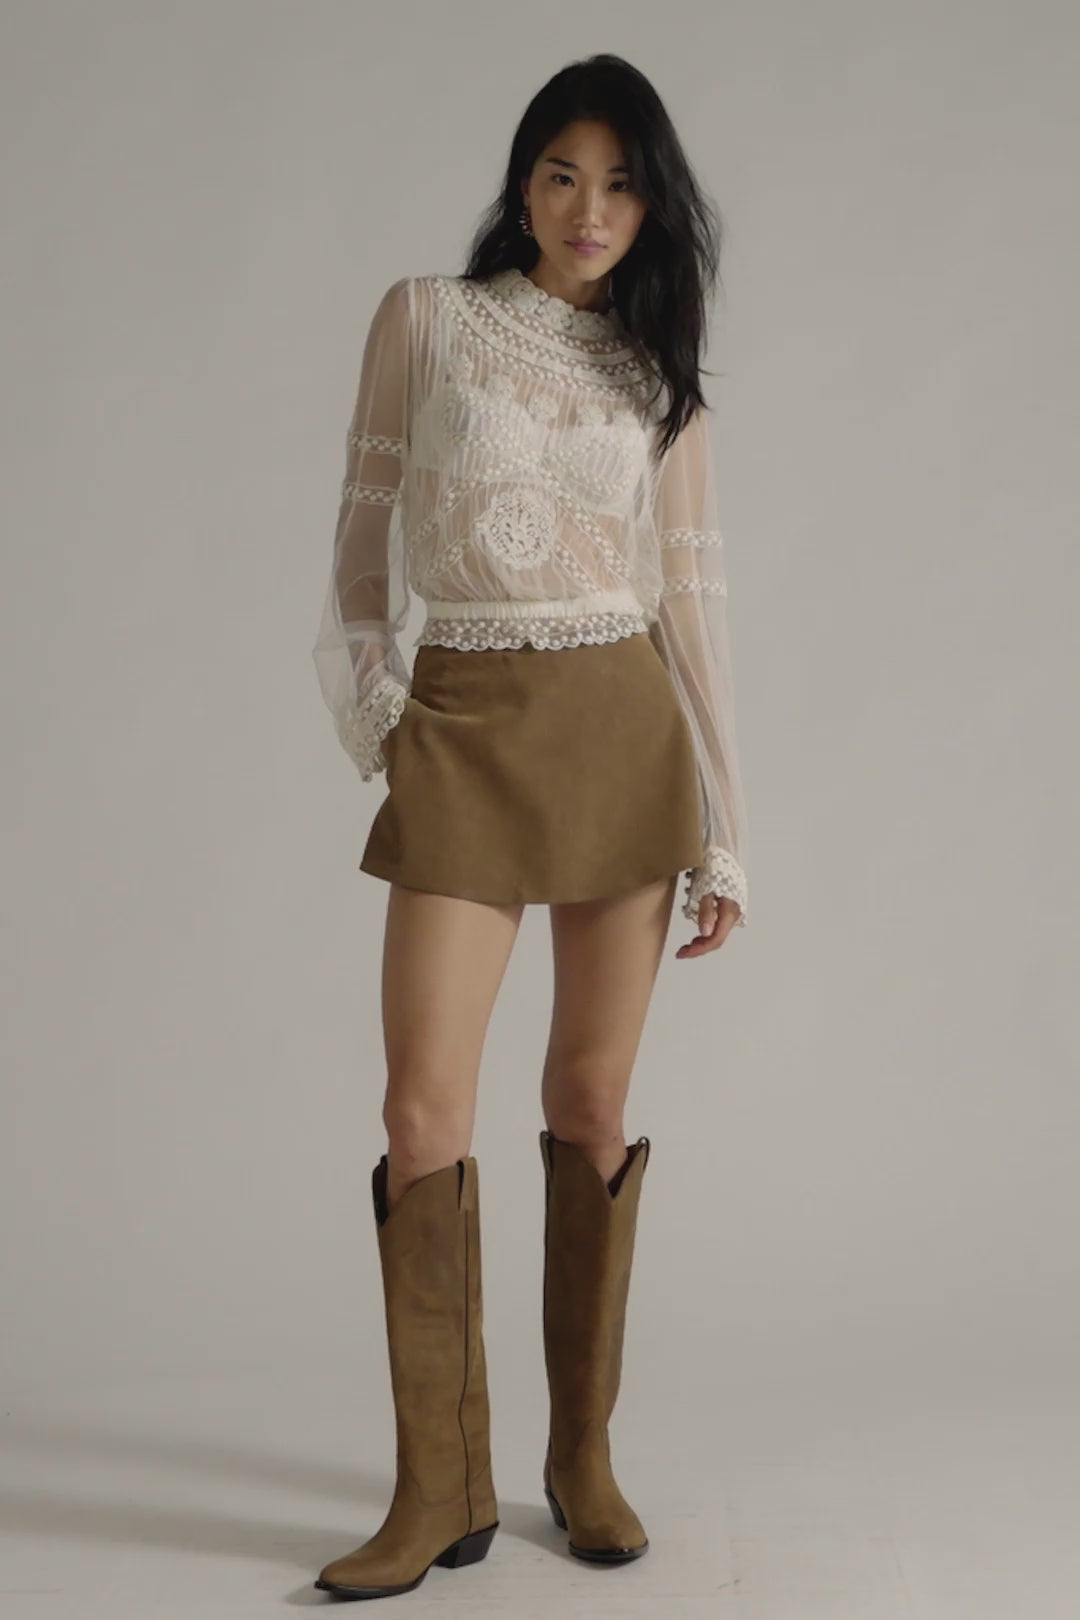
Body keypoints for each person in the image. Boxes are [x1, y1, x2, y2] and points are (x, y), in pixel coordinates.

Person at [309, 51, 750, 1601]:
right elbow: (360, 546)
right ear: (523, 180)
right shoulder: (426, 318)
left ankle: (579, 1459)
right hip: (466, 724)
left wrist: (730, 827)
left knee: (589, 1097)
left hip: (625, 734)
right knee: (420, 1110)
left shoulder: (659, 376)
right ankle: (438, 1486)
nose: (590, 208)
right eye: (564, 173)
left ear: (654, 206)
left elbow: (692, 611)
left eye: (622, 183)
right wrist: (387, 723)